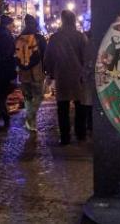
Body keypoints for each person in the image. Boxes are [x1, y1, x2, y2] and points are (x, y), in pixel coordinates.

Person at [44, 10, 88, 145]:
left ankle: (65, 137)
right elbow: (86, 56)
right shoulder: (80, 37)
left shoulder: (54, 38)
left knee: (62, 108)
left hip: (61, 75)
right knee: (80, 106)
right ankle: (81, 134)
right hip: (78, 76)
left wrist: (50, 73)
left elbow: (48, 57)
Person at [15, 14, 47, 132]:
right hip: (36, 72)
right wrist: (46, 69)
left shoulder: (18, 38)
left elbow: (15, 56)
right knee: (39, 96)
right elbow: (45, 54)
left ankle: (31, 123)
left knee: (28, 98)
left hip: (23, 73)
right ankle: (30, 119)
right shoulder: (39, 38)